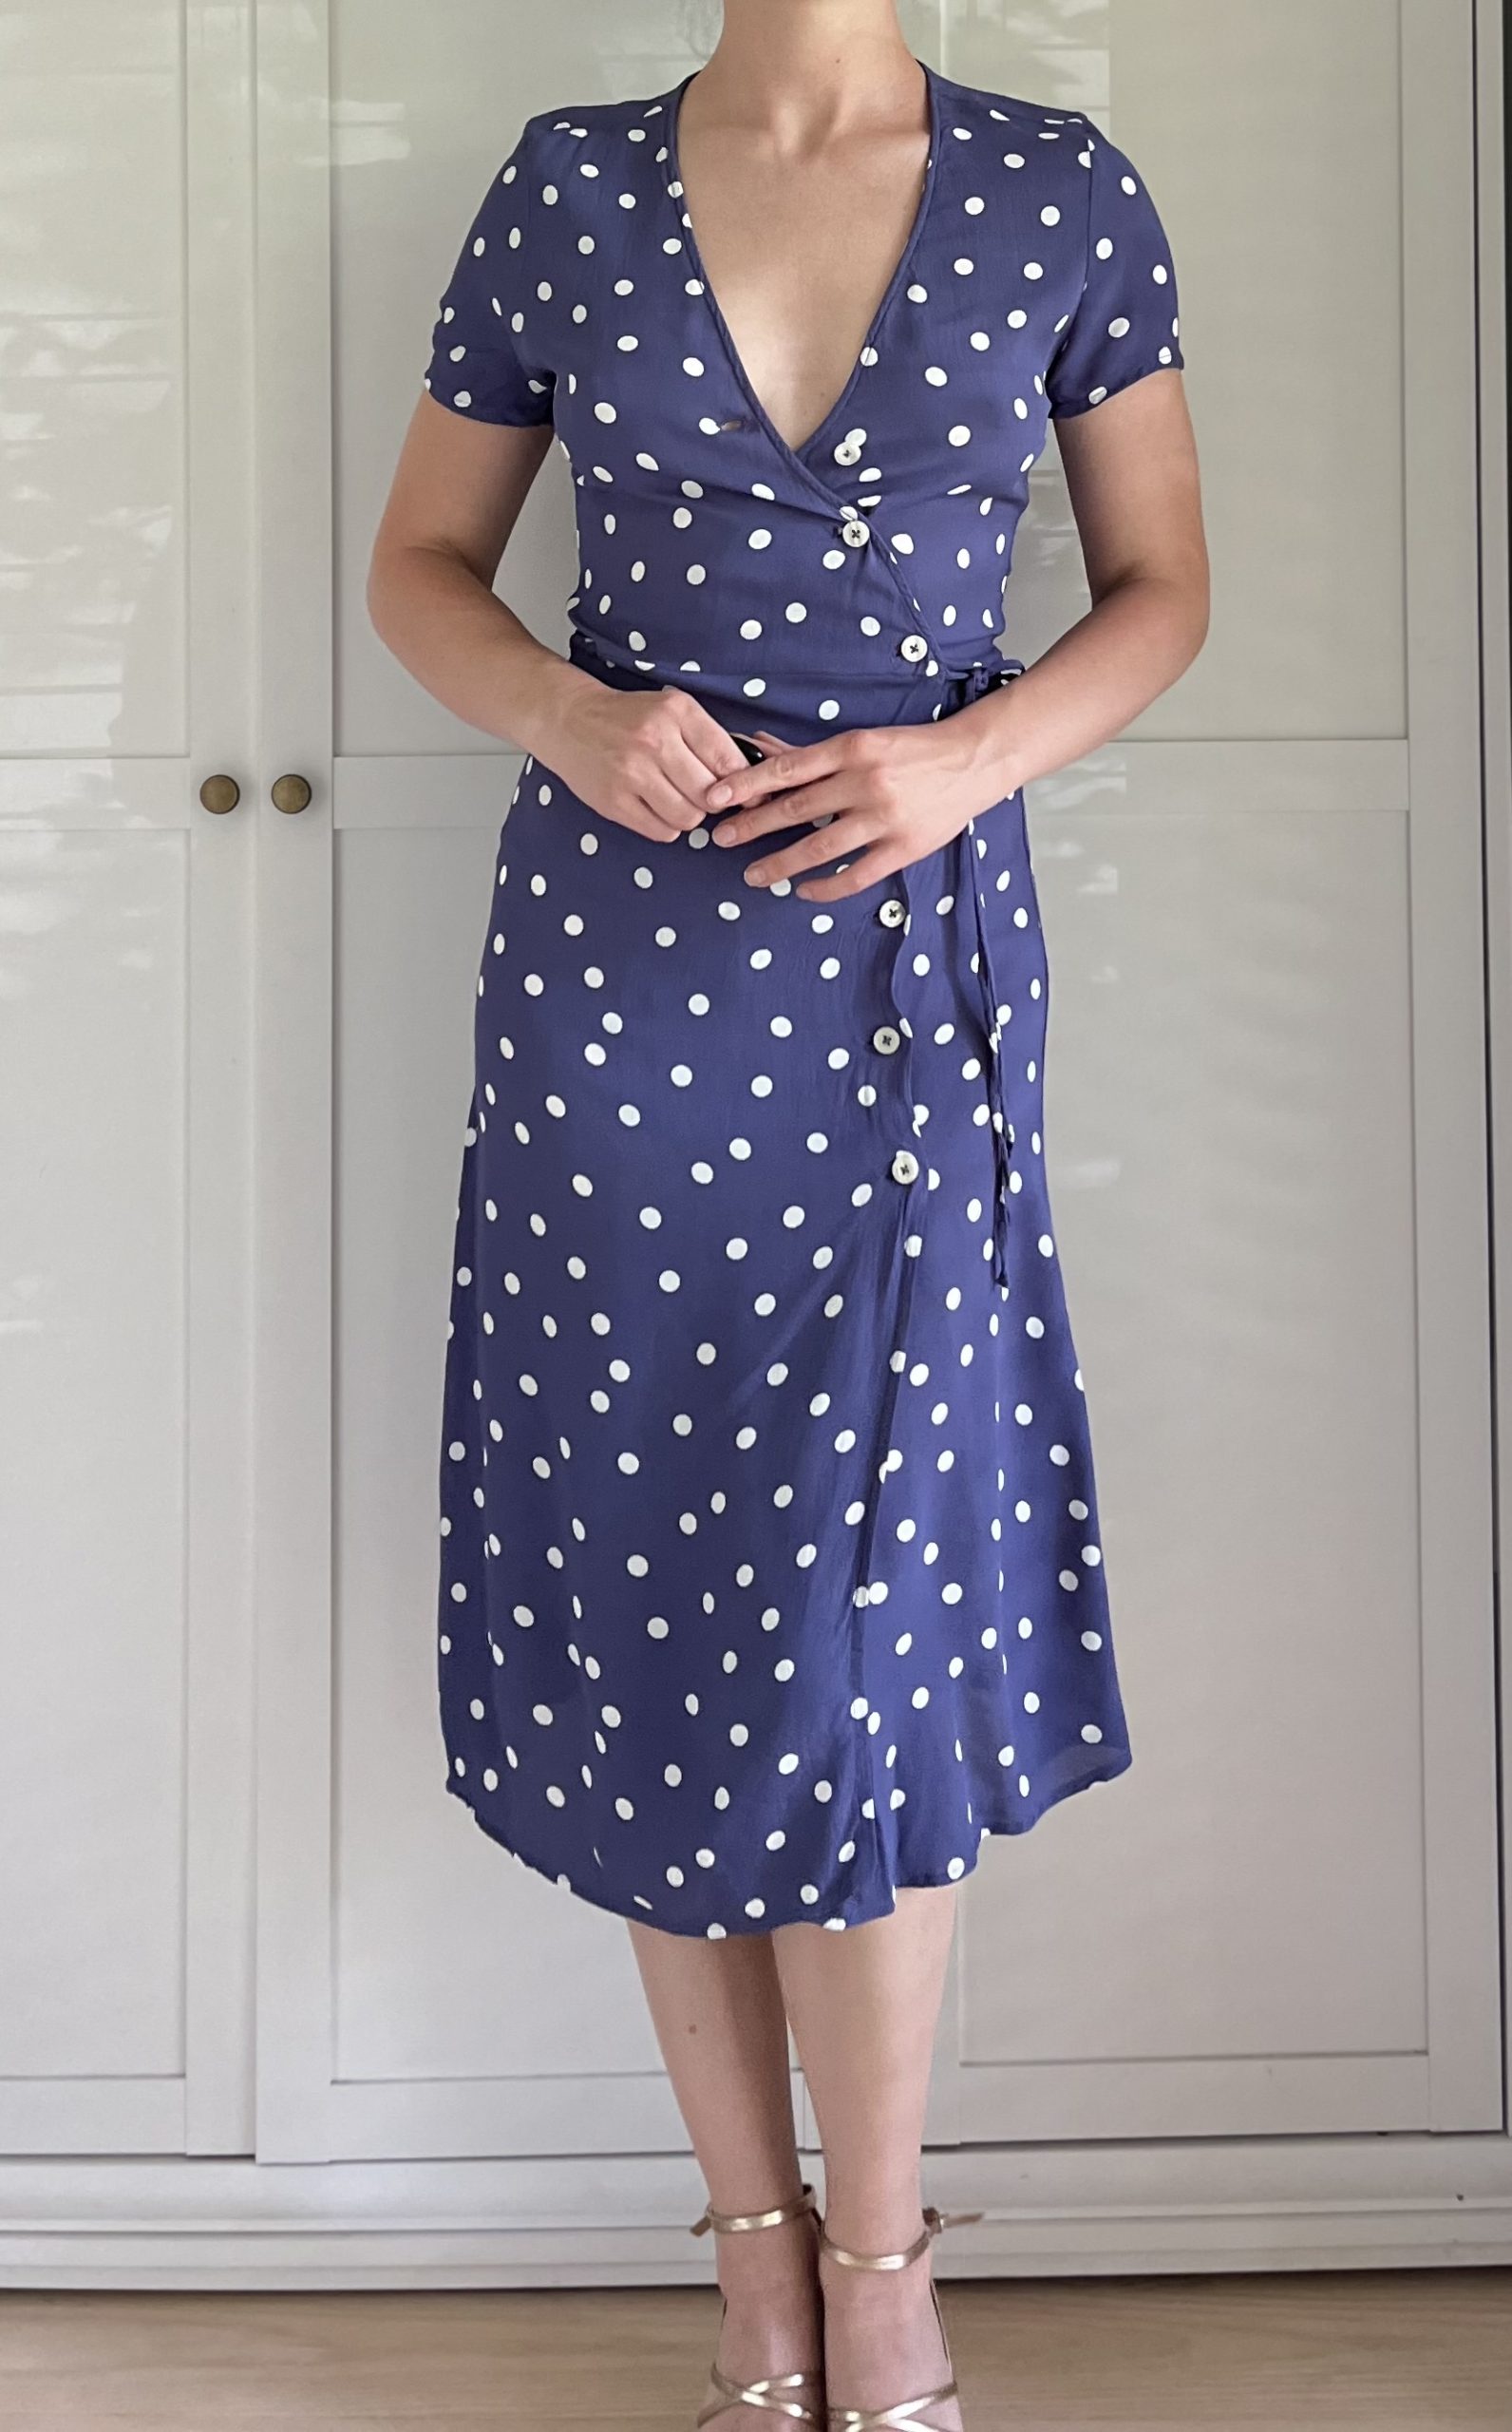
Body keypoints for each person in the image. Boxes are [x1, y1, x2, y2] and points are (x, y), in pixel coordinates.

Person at [369, 4, 1207, 2422]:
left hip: (905, 970)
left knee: (871, 1626)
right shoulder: (565, 182)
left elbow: (1161, 585)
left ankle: (882, 2262)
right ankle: (755, 2268)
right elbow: (420, 564)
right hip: (617, 985)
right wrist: (560, 709)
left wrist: (968, 758)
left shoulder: (1060, 190)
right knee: (657, 1585)